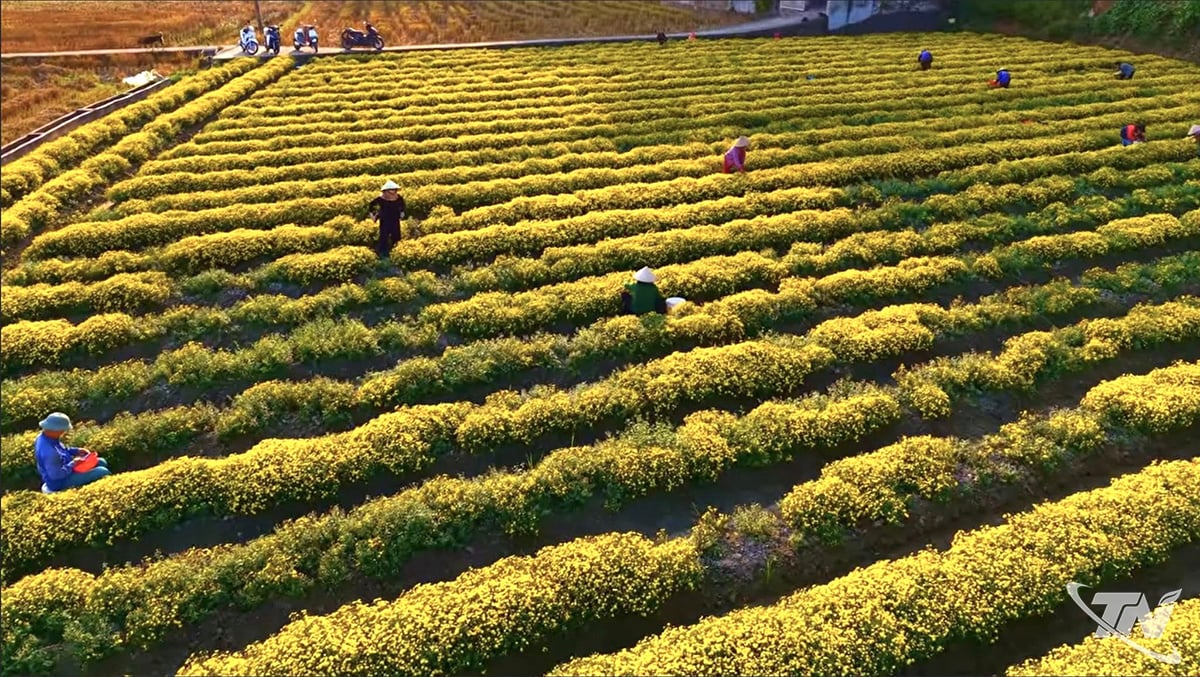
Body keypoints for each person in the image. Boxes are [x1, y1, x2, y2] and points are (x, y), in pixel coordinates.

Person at [35, 412, 110, 493]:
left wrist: (77, 451)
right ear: (56, 430)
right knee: (102, 471)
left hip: (67, 469)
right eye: (62, 430)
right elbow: (56, 475)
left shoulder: (47, 437)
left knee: (101, 461)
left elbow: (62, 450)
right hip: (60, 482)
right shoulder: (49, 452)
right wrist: (73, 463)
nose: (63, 432)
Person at [367, 180, 407, 257]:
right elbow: (371, 206)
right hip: (384, 220)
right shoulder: (380, 199)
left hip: (395, 219)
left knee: (396, 236)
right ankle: (383, 254)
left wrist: (402, 212)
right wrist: (373, 215)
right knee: (383, 237)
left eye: (395, 190)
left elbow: (402, 205)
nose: (394, 192)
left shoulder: (398, 198)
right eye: (391, 190)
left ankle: (397, 252)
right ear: (386, 191)